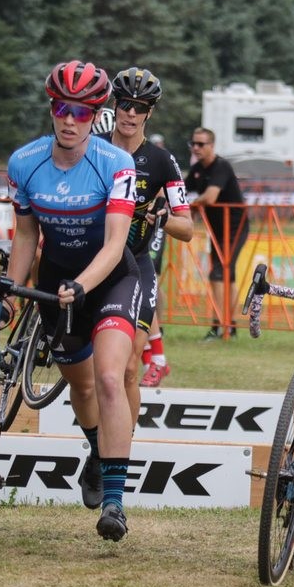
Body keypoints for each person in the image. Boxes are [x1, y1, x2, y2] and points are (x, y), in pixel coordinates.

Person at [3, 60, 141, 542]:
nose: (69, 119)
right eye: (62, 108)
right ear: (51, 107)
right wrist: (12, 290)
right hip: (56, 285)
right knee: (81, 389)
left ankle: (115, 502)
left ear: (95, 116)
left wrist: (84, 284)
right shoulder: (25, 162)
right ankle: (97, 451)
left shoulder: (115, 165)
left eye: (82, 112)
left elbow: (115, 243)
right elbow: (25, 234)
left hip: (109, 280)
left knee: (109, 377)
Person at [100, 66, 192, 391]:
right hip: (92, 260)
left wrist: (163, 218)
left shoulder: (161, 161)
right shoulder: (92, 147)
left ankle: (123, 440)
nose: (130, 113)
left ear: (149, 113)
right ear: (115, 105)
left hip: (135, 266)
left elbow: (187, 226)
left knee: (127, 368)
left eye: (139, 107)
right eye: (125, 103)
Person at [185, 127, 248, 340]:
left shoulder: (221, 166)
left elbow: (210, 197)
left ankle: (219, 325)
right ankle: (229, 326)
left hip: (235, 227)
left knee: (219, 274)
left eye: (201, 144)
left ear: (211, 146)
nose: (196, 147)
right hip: (217, 230)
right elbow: (180, 190)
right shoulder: (197, 169)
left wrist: (190, 205)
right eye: (193, 143)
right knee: (226, 276)